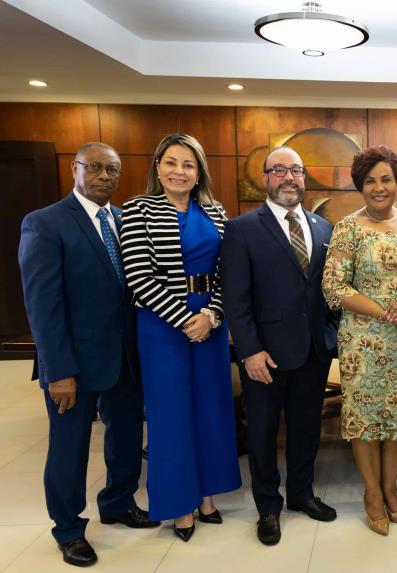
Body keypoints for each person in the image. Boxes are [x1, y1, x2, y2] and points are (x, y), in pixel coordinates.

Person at [18, 142, 159, 567]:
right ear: (75, 169)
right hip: (72, 364)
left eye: (112, 170)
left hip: (125, 357)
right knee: (70, 447)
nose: (104, 176)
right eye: (94, 167)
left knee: (125, 437)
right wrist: (57, 369)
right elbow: (42, 305)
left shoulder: (122, 219)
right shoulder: (45, 223)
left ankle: (117, 503)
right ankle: (68, 529)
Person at [120, 133, 241, 542]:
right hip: (161, 327)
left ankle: (207, 496)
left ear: (199, 172)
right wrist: (186, 318)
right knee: (170, 415)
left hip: (210, 319)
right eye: (171, 163)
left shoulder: (215, 210)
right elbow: (138, 275)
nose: (179, 171)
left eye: (188, 165)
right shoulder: (137, 210)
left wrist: (211, 315)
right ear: (158, 167)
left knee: (211, 408)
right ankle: (178, 505)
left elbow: (230, 271)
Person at [220, 146, 339, 546]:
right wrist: (249, 351)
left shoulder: (323, 228)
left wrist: (332, 335)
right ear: (265, 178)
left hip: (312, 352)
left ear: (304, 178)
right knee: (264, 434)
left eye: (297, 171)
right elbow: (235, 298)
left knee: (306, 430)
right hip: (265, 356)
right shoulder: (241, 229)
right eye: (279, 171)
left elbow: (328, 291)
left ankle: (301, 495)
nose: (289, 178)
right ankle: (268, 506)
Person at [322, 145, 397, 535]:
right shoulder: (348, 229)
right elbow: (333, 287)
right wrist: (384, 311)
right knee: (366, 420)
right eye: (370, 181)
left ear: (396, 181)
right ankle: (371, 493)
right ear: (360, 186)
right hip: (363, 341)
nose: (378, 187)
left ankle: (392, 491)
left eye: (385, 179)